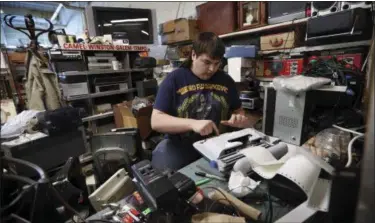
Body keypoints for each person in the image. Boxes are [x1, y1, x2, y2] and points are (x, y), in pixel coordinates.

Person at [151, 32, 250, 171]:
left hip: (218, 146)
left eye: (217, 64)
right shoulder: (174, 79)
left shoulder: (226, 80)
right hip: (181, 148)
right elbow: (156, 121)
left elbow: (238, 110)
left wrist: (239, 118)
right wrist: (192, 123)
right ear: (193, 55)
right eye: (207, 62)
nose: (212, 69)